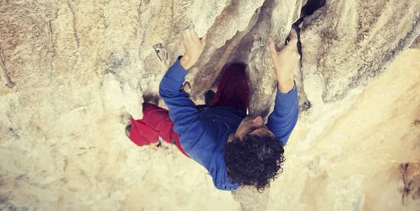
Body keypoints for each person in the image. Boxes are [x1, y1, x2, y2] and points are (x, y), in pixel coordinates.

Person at [127, 28, 300, 191]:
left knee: (143, 113)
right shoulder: (266, 146)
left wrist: (188, 59)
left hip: (194, 129)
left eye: (252, 128)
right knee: (237, 74)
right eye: (264, 128)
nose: (259, 119)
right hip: (227, 115)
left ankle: (144, 139)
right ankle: (213, 104)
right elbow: (286, 114)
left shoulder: (196, 138)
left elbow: (169, 92)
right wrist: (285, 75)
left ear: (232, 141)